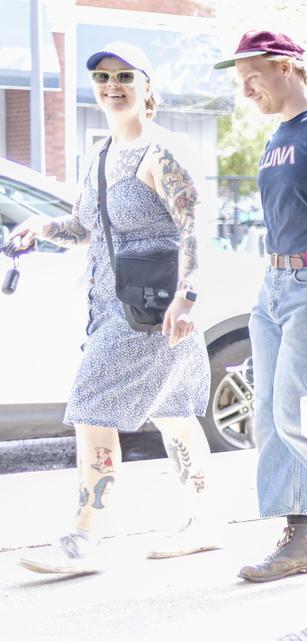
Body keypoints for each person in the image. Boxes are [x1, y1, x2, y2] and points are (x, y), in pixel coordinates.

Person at [13, 42, 221, 575]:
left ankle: (84, 537)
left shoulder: (163, 152)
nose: (112, 85)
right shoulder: (102, 154)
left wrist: (188, 295)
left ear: (147, 86)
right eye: (103, 77)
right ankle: (205, 520)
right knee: (173, 413)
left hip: (156, 311)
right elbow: (86, 230)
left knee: (90, 402)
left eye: (125, 75)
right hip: (112, 306)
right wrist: (44, 227)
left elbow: (195, 226)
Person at [214, 30, 307, 582]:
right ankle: (298, 534)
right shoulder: (277, 137)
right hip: (275, 285)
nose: (246, 91)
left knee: (295, 411)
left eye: (252, 77)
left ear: (286, 66)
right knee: (265, 416)